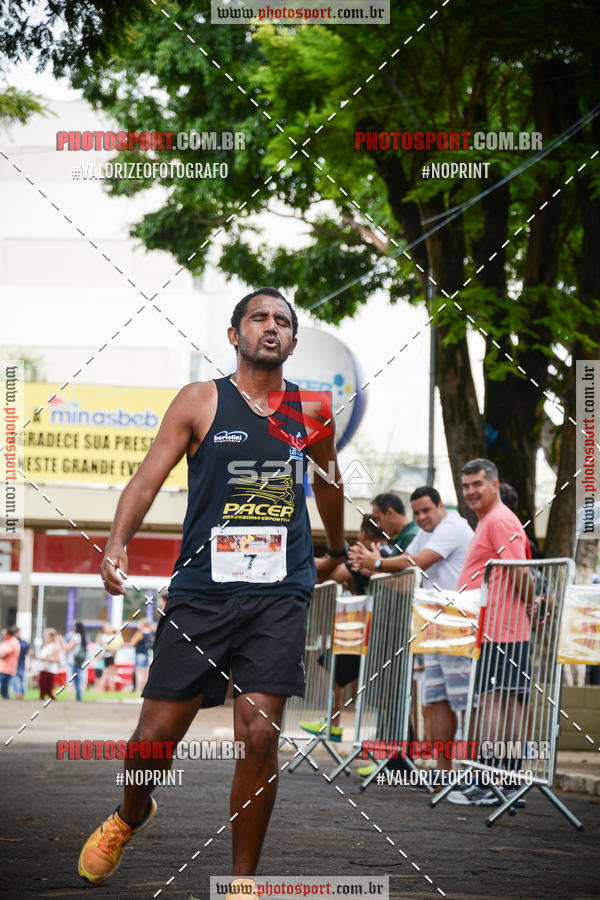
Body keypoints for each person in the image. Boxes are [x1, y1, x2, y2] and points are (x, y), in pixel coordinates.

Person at [77, 287, 345, 892]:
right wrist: (117, 543)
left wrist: (334, 548)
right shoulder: (200, 400)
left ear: (293, 341)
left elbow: (328, 483)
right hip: (202, 590)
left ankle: (241, 882)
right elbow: (146, 480)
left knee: (259, 733)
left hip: (279, 590)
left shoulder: (313, 409)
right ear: (234, 335)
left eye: (283, 321)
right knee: (154, 738)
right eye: (259, 318)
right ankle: (129, 815)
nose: (271, 327)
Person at [351, 487, 474, 776]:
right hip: (433, 625)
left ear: (441, 506)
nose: (421, 517)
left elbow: (417, 562)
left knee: (465, 701)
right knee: (436, 700)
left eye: (426, 510)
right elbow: (407, 560)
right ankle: (443, 773)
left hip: (458, 624)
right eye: (417, 512)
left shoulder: (453, 525)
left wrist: (376, 563)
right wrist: (375, 568)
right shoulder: (426, 530)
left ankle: (473, 773)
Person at [447, 458, 535, 807]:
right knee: (500, 702)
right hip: (495, 628)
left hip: (502, 629)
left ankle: (494, 782)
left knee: (497, 703)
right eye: (466, 486)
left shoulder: (499, 520)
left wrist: (531, 605)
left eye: (477, 484)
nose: (470, 491)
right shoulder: (490, 520)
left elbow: (519, 571)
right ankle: (499, 781)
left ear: (495, 485)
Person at [128, 620, 153, 692]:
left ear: (143, 625)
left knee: (139, 673)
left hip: (139, 654)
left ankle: (138, 689)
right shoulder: (150, 633)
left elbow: (132, 643)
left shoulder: (140, 633)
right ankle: (143, 689)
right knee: (144, 673)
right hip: (147, 654)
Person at [65, 622, 88, 701]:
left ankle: (75, 697)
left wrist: (61, 641)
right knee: (79, 679)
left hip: (73, 661)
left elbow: (68, 647)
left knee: (72, 680)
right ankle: (79, 696)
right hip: (80, 661)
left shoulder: (76, 636)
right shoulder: (83, 636)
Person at [37, 629, 62, 701]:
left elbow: (58, 660)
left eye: (47, 637)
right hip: (43, 669)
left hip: (50, 670)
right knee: (42, 690)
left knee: (48, 691)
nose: (46, 638)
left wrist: (46, 659)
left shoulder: (55, 647)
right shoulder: (46, 646)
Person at [10, 626, 31, 699]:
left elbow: (30, 653)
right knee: (19, 683)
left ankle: (18, 699)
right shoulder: (23, 642)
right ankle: (20, 699)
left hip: (17, 666)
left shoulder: (11, 642)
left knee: (17, 683)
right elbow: (30, 653)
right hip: (18, 666)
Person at [0, 626, 21, 699]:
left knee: (4, 688)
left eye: (3, 634)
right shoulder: (5, 641)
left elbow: (3, 655)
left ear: (9, 634)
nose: (2, 635)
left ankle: (8, 702)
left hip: (8, 669)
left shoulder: (13, 642)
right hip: (3, 669)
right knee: (3, 689)